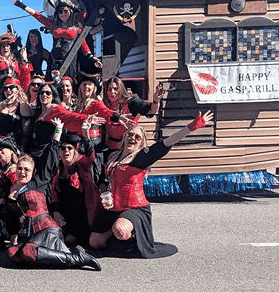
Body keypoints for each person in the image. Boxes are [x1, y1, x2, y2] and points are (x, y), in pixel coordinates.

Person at [89, 111, 213, 259]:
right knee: (94, 243)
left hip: (135, 209)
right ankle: (115, 235)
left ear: (141, 142)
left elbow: (167, 142)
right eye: (130, 134)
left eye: (137, 137)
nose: (132, 138)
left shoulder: (142, 157)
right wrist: (105, 194)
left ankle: (133, 237)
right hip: (113, 208)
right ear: (125, 136)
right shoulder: (113, 156)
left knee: (121, 230)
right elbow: (104, 180)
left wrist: (192, 127)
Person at [4, 118, 101, 270]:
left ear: (33, 172)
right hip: (30, 235)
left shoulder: (39, 181)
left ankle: (78, 258)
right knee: (12, 253)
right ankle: (70, 257)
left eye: (26, 169)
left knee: (28, 252)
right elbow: (13, 220)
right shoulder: (12, 190)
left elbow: (50, 156)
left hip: (48, 230)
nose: (22, 172)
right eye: (19, 169)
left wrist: (58, 131)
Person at [12, 0, 101, 78]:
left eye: (65, 11)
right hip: (54, 61)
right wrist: (23, 6)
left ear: (70, 11)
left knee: (68, 82)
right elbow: (38, 16)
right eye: (60, 11)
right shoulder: (53, 25)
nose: (63, 14)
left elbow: (83, 44)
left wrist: (91, 57)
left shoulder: (78, 28)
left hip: (70, 61)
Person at [51, 134, 102, 247]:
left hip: (84, 217)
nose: (66, 151)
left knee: (68, 240)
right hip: (65, 217)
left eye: (70, 148)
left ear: (76, 151)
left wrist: (86, 134)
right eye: (63, 148)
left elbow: (90, 154)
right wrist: (56, 211)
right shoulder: (57, 170)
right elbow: (54, 194)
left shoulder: (82, 166)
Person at [102, 77, 165, 152]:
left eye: (115, 89)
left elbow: (150, 110)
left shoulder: (131, 102)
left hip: (130, 146)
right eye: (109, 89)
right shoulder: (104, 105)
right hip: (111, 147)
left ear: (121, 89)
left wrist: (155, 101)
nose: (112, 92)